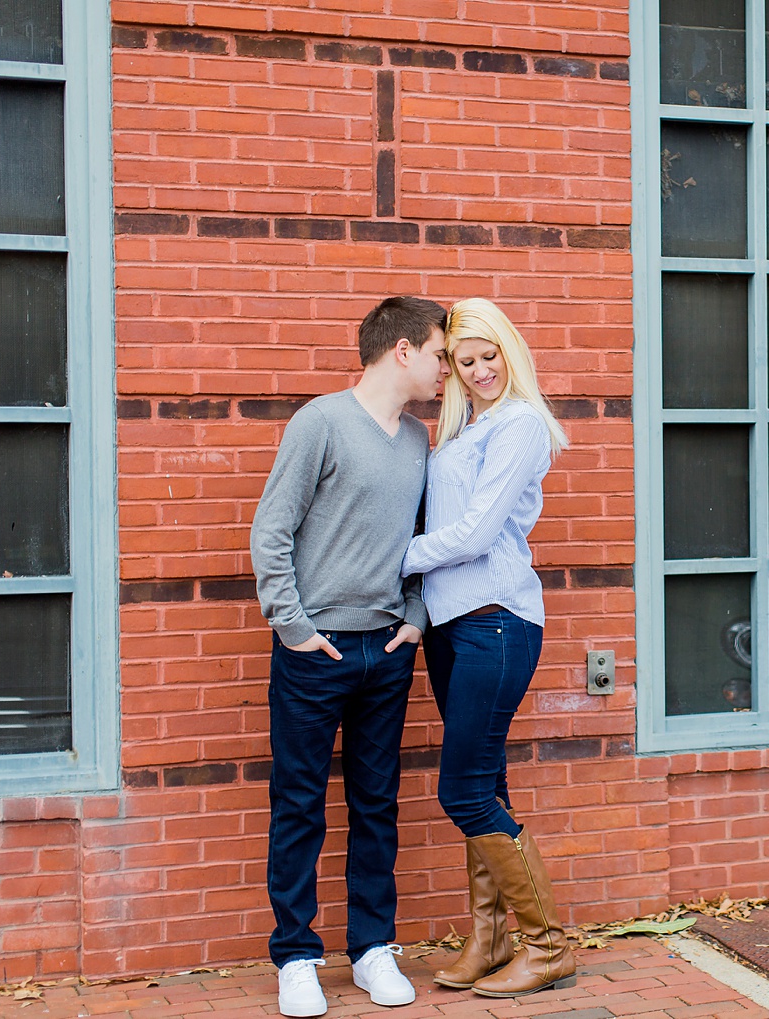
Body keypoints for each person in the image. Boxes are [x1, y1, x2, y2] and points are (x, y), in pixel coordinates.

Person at [249, 296, 451, 1017]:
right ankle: (297, 956)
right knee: (299, 804)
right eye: (437, 352)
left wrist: (417, 619)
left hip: (387, 650)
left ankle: (371, 948)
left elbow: (425, 544)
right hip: (316, 652)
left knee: (377, 805)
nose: (444, 367)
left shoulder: (419, 440)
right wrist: (296, 628)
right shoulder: (322, 422)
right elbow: (271, 530)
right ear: (402, 350)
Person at [401, 298, 575, 998]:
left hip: (496, 620)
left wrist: (393, 553)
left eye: (488, 355)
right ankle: (491, 936)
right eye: (464, 361)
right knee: (487, 782)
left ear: (511, 351)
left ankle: (547, 944)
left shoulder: (521, 424)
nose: (478, 371)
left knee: (464, 791)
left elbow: (473, 534)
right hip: (452, 624)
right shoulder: (467, 428)